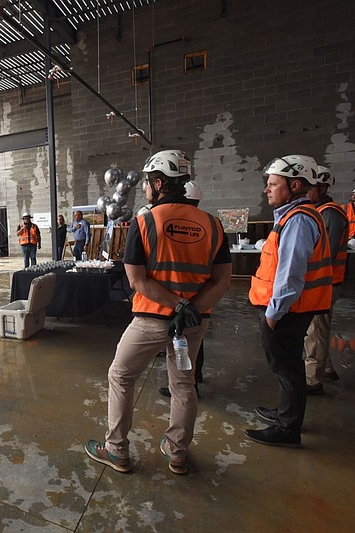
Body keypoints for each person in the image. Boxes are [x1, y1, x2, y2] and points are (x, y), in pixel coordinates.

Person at [84, 150, 231, 475]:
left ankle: (116, 450)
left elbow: (137, 280)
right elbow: (223, 280)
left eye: (148, 182)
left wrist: (176, 305)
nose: (145, 188)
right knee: (183, 383)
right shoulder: (212, 224)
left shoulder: (146, 220)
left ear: (160, 182)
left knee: (121, 375)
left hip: (152, 321)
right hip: (191, 326)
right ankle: (177, 452)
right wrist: (192, 308)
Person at [246, 155, 332, 448]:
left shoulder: (298, 220)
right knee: (287, 366)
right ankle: (285, 414)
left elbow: (291, 275)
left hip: (287, 311)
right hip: (289, 310)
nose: (266, 190)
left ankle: (288, 429)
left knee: (287, 367)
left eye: (272, 184)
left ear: (294, 185)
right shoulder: (293, 216)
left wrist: (273, 314)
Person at [158, 179, 206, 398]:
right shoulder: (208, 224)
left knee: (121, 372)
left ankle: (187, 383)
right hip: (199, 302)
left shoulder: (166, 222)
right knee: (194, 345)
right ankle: (194, 379)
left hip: (173, 303)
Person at [303, 166, 348, 394]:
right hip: (321, 281)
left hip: (325, 283)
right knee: (318, 329)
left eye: (309, 187)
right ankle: (326, 369)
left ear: (321, 188)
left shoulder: (330, 213)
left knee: (316, 331)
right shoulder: (320, 211)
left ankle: (313, 381)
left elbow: (324, 254)